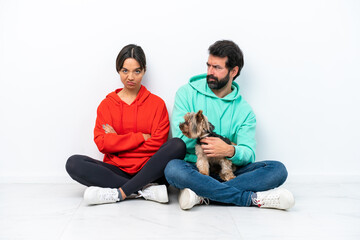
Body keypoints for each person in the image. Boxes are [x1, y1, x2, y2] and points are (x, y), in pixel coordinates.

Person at [164, 40, 295, 210]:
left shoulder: (244, 111)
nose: (210, 72)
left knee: (277, 170)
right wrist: (205, 141)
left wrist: (229, 150)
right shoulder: (187, 93)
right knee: (173, 169)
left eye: (217, 68)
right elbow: (180, 138)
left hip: (227, 170)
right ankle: (250, 199)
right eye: (209, 65)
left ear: (234, 71)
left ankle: (203, 194)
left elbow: (248, 153)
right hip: (195, 167)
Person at [66, 44, 185, 205]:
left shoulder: (157, 104)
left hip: (149, 169)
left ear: (144, 71)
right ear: (118, 70)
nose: (130, 77)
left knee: (178, 145)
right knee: (73, 163)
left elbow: (157, 144)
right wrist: (140, 137)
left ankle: (120, 192)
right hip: (116, 170)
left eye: (137, 71)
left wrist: (117, 141)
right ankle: (144, 191)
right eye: (125, 71)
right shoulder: (107, 105)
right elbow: (102, 143)